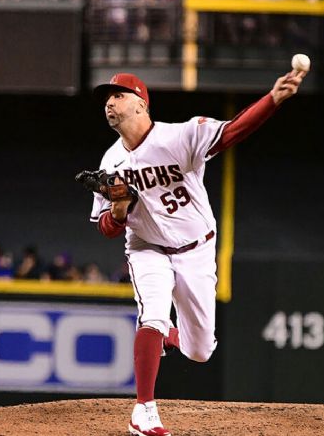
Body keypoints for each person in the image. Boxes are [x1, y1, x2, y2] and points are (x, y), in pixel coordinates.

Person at [80, 69, 306, 436]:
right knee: (151, 314)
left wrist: (274, 99)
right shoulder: (110, 163)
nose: (109, 102)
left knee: (200, 351)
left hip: (196, 250)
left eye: (118, 95)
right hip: (146, 247)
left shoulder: (180, 135)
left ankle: (172, 336)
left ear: (141, 103)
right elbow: (106, 228)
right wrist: (119, 208)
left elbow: (233, 131)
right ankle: (144, 411)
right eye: (107, 98)